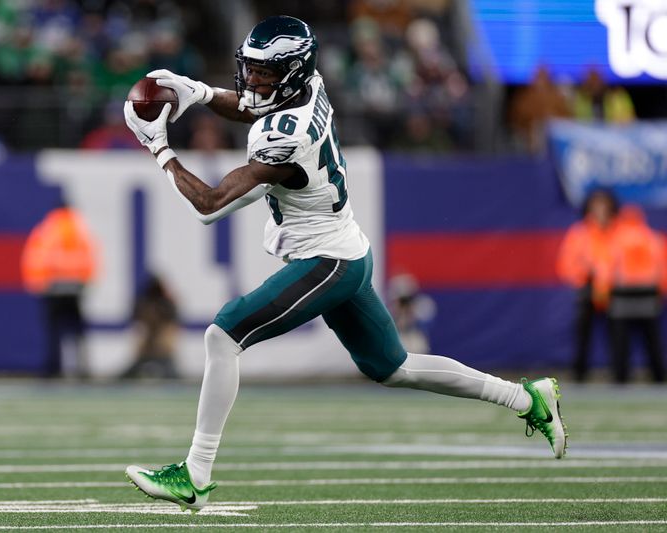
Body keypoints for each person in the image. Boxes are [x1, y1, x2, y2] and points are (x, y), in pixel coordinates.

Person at [121, 16, 567, 511]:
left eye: (264, 73)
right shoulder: (306, 85)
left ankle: (196, 474)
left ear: (289, 74)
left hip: (326, 259)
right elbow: (256, 106)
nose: (251, 81)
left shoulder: (286, 139)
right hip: (346, 248)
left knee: (223, 334)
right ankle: (528, 399)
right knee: (394, 367)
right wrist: (200, 93)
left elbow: (209, 206)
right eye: (250, 69)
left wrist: (157, 147)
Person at [21, 196, 97, 378]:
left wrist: (37, 284)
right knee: (78, 332)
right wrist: (85, 282)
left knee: (53, 332)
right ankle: (82, 369)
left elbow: (35, 258)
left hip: (53, 289)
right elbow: (91, 258)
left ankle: (53, 369)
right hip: (75, 288)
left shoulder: (47, 229)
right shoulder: (80, 229)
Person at [556, 188, 619, 382]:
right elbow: (566, 265)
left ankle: (620, 376)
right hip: (587, 289)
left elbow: (624, 259)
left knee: (618, 335)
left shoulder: (619, 231)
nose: (600, 210)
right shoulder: (579, 233)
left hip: (614, 290)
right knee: (583, 334)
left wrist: (612, 277)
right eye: (596, 205)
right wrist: (585, 273)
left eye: (604, 205)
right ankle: (579, 375)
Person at [606, 206, 666, 384]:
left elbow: (606, 269)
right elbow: (662, 270)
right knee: (652, 342)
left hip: (620, 297)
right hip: (648, 296)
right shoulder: (653, 239)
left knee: (620, 344)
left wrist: (605, 291)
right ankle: (659, 378)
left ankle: (620, 379)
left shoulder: (614, 239)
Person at [122, 274, 181, 379]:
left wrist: (162, 345)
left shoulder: (167, 307)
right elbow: (139, 329)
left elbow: (170, 333)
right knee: (126, 376)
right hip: (146, 350)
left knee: (172, 376)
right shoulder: (144, 305)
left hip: (163, 352)